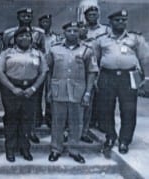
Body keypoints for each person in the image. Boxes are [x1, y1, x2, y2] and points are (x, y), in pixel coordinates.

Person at [94, 10, 149, 157]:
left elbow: (145, 58)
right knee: (105, 109)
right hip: (107, 76)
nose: (121, 23)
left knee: (129, 109)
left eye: (123, 20)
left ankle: (125, 140)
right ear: (110, 22)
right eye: (117, 20)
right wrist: (95, 79)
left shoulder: (135, 38)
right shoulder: (101, 40)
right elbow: (95, 61)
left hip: (130, 75)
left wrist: (147, 78)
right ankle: (110, 136)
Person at [47, 22, 98, 164]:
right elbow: (48, 71)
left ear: (80, 32)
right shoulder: (54, 49)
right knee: (58, 122)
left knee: (76, 123)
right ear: (64, 32)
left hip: (78, 92)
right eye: (69, 30)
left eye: (75, 30)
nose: (72, 33)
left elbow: (92, 72)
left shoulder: (87, 50)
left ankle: (74, 150)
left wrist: (88, 92)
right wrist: (49, 89)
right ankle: (55, 149)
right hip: (59, 90)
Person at [0, 27, 48, 162]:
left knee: (27, 120)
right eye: (21, 36)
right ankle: (10, 149)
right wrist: (12, 88)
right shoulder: (7, 53)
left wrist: (34, 88)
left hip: (31, 90)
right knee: (11, 119)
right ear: (15, 39)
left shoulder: (37, 53)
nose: (25, 38)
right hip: (11, 90)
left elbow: (43, 72)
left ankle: (25, 149)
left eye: (27, 36)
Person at [3, 7, 45, 143]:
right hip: (14, 74)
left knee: (33, 105)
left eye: (28, 16)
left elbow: (42, 51)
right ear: (18, 17)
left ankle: (30, 132)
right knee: (12, 109)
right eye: (23, 16)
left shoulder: (39, 33)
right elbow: (6, 50)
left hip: (33, 73)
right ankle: (12, 135)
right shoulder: (9, 33)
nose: (26, 18)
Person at [83, 5, 110, 131]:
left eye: (94, 14)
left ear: (98, 15)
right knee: (87, 94)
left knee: (102, 96)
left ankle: (101, 123)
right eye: (89, 15)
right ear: (86, 17)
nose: (92, 17)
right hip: (85, 66)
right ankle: (88, 123)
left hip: (102, 66)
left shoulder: (106, 30)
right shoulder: (81, 29)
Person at [37, 14, 60, 129]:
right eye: (43, 22)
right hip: (38, 68)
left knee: (50, 93)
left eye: (47, 21)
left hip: (52, 68)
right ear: (39, 23)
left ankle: (49, 118)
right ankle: (37, 118)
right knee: (37, 94)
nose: (45, 24)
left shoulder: (56, 37)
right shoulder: (35, 36)